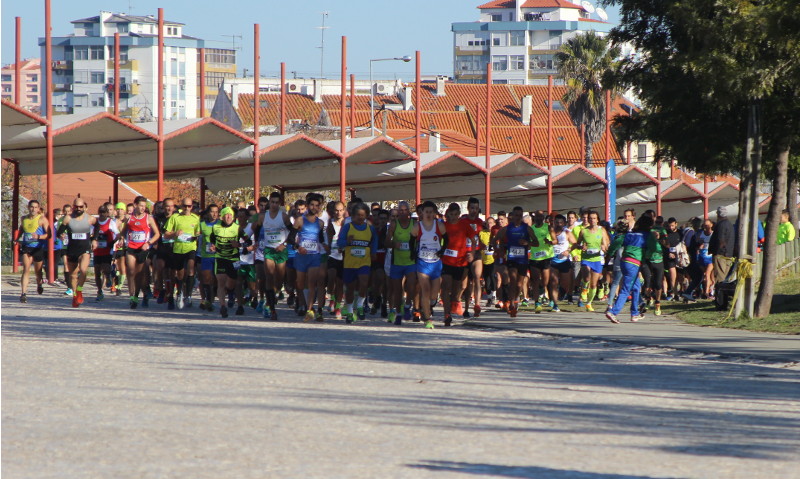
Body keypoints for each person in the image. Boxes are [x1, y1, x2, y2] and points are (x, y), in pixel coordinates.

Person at [605, 215, 654, 324]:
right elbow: (656, 248)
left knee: (636, 287)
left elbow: (616, 242)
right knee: (626, 289)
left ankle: (634, 313)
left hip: (625, 262)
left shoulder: (630, 234)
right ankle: (613, 311)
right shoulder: (647, 235)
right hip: (633, 264)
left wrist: (608, 255)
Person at [254, 192, 295, 320]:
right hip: (269, 250)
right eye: (272, 202)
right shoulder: (262, 217)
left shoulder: (284, 217)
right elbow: (256, 229)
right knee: (269, 277)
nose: (274, 205)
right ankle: (271, 308)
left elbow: (293, 231)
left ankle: (276, 292)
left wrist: (285, 244)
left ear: (280, 204)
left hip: (281, 251)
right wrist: (256, 242)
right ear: (269, 203)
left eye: (277, 202)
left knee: (278, 280)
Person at [290, 194, 328, 322]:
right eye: (312, 205)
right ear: (307, 206)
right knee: (300, 283)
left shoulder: (321, 223)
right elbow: (290, 238)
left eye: (317, 205)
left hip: (314, 256)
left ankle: (309, 309)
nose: (314, 207)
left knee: (312, 283)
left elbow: (321, 239)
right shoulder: (300, 220)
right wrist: (297, 247)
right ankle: (302, 301)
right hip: (301, 256)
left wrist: (326, 246)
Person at [495, 206, 538, 318]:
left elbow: (536, 243)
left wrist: (527, 242)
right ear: (512, 216)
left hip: (523, 260)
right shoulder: (507, 228)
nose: (518, 217)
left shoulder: (527, 228)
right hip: (512, 258)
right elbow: (495, 239)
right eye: (516, 215)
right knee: (513, 280)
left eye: (520, 215)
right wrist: (499, 250)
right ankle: (511, 303)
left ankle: (515, 301)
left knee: (519, 284)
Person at [338, 202, 378, 323]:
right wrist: (347, 242)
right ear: (353, 216)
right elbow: (339, 243)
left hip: (364, 262)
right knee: (350, 288)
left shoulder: (369, 228)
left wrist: (373, 252)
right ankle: (350, 311)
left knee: (364, 283)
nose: (360, 217)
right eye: (358, 215)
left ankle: (360, 304)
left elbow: (374, 240)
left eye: (363, 215)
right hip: (350, 263)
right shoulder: (347, 227)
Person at [56, 198, 99, 308]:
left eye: (81, 207)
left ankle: (79, 290)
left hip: (85, 249)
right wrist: (60, 235)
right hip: (72, 250)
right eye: (77, 207)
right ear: (73, 207)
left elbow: (98, 226)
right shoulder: (68, 219)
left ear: (84, 207)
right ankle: (75, 295)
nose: (79, 209)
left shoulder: (89, 219)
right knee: (73, 275)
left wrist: (94, 239)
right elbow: (59, 231)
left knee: (84, 270)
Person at [119, 196, 161, 309]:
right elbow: (123, 232)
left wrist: (148, 243)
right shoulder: (129, 218)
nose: (143, 208)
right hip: (131, 248)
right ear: (135, 205)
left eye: (144, 206)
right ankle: (132, 296)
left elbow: (157, 234)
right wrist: (122, 239)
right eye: (141, 206)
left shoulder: (149, 218)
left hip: (143, 249)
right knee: (131, 272)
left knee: (140, 274)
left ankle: (139, 295)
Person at [410, 200, 446, 329]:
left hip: (435, 263)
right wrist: (412, 252)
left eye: (431, 212)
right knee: (425, 290)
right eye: (426, 212)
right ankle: (427, 318)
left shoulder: (439, 225)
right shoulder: (417, 226)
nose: (429, 214)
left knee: (433, 294)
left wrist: (442, 250)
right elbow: (411, 240)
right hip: (422, 262)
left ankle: (429, 305)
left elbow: (446, 238)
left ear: (435, 213)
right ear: (422, 213)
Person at [209, 207, 249, 318]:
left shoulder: (238, 228)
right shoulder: (215, 227)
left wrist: (239, 245)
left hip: (234, 259)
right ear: (221, 216)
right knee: (221, 283)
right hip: (220, 258)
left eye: (230, 215)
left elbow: (249, 242)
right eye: (226, 215)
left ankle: (236, 299)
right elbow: (211, 241)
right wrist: (211, 247)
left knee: (233, 283)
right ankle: (223, 306)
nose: (228, 217)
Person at [440, 203, 475, 327]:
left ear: (459, 214)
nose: (453, 217)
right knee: (446, 286)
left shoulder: (464, 225)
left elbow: (474, 239)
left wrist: (472, 253)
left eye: (456, 214)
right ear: (448, 214)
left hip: (460, 262)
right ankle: (447, 315)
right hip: (446, 261)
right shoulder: (444, 225)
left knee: (455, 291)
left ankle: (454, 303)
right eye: (451, 214)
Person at [163, 198, 200, 309]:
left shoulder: (196, 218)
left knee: (191, 268)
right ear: (181, 206)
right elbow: (166, 234)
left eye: (189, 206)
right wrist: (175, 233)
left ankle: (188, 295)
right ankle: (179, 292)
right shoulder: (175, 217)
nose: (187, 208)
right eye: (185, 206)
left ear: (192, 207)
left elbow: (198, 232)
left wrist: (196, 235)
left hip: (191, 248)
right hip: (178, 249)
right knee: (179, 274)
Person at [386, 200, 416, 325]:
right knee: (397, 290)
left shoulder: (414, 224)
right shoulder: (394, 224)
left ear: (409, 211)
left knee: (412, 285)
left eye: (405, 210)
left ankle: (408, 305)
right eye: (401, 210)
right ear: (398, 212)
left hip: (411, 261)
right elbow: (386, 242)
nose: (403, 213)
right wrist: (394, 244)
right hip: (397, 262)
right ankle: (398, 313)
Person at [576, 210, 609, 312]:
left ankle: (589, 303)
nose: (592, 220)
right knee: (586, 276)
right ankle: (584, 289)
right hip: (586, 258)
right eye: (590, 218)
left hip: (597, 259)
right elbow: (577, 243)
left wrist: (604, 247)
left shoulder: (601, 230)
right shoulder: (583, 231)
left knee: (594, 284)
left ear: (597, 219)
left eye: (594, 218)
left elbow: (605, 243)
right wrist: (582, 247)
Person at [17, 200, 50, 303]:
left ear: (38, 208)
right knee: (26, 269)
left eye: (36, 207)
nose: (33, 209)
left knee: (38, 272)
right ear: (28, 207)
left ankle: (39, 284)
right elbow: (22, 229)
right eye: (32, 207)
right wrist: (17, 238)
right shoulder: (24, 219)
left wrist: (39, 236)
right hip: (27, 247)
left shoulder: (42, 219)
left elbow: (49, 235)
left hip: (38, 247)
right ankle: (23, 293)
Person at [529, 210, 556, 313]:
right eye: (537, 217)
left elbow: (555, 240)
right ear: (534, 218)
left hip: (546, 257)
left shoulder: (548, 227)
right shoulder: (531, 229)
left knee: (545, 281)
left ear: (543, 218)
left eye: (541, 217)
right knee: (535, 280)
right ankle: (537, 303)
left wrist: (550, 242)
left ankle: (541, 288)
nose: (539, 219)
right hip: (534, 258)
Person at [549, 214, 576, 313]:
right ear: (554, 222)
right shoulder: (550, 231)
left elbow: (575, 243)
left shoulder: (567, 232)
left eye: (561, 222)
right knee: (553, 282)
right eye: (557, 222)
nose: (558, 224)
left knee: (565, 284)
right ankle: (555, 305)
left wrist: (568, 251)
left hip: (564, 260)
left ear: (564, 223)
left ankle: (562, 292)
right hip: (553, 260)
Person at [461, 197, 484, 318]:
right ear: (468, 208)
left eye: (476, 208)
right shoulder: (462, 220)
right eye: (472, 208)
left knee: (476, 277)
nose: (474, 210)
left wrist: (482, 243)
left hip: (476, 253)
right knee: (465, 284)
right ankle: (465, 307)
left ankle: (477, 305)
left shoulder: (480, 222)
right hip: (464, 254)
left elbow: (478, 236)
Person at [92, 204, 119, 301]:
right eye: (101, 212)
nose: (102, 214)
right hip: (97, 250)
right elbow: (91, 233)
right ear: (98, 213)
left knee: (106, 268)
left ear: (107, 213)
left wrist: (112, 242)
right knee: (97, 271)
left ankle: (108, 276)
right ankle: (99, 291)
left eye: (104, 213)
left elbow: (118, 234)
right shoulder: (95, 223)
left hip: (107, 249)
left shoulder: (110, 222)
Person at [326, 201, 347, 320]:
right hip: (332, 255)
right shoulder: (330, 223)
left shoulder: (347, 224)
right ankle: (331, 296)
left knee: (340, 283)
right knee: (332, 276)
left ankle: (338, 306)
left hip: (343, 256)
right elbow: (327, 240)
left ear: (344, 210)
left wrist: (343, 247)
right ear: (333, 211)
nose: (338, 213)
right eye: (336, 210)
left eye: (340, 210)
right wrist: (328, 247)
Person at [708, 206, 735, 296]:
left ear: (718, 214)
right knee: (726, 277)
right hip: (729, 254)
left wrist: (716, 251)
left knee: (720, 278)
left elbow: (721, 240)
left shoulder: (721, 225)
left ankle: (720, 298)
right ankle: (724, 297)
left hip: (720, 255)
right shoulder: (729, 224)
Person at [197, 204, 220, 312]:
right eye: (212, 211)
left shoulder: (221, 224)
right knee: (206, 278)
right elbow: (196, 237)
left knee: (215, 280)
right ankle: (208, 301)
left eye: (216, 212)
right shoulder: (201, 225)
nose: (214, 214)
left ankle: (212, 299)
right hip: (205, 255)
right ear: (208, 213)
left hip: (218, 256)